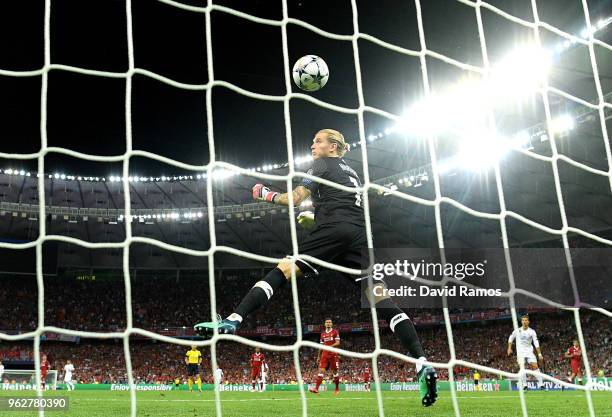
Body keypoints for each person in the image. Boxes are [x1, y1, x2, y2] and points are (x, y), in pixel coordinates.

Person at [195, 129, 437, 406]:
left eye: (318, 141)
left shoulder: (323, 164)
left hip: (335, 232)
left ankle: (232, 320)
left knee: (284, 269)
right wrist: (313, 220)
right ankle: (421, 362)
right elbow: (339, 206)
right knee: (380, 300)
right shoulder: (352, 173)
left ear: (333, 146)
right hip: (358, 239)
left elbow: (294, 198)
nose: (312, 145)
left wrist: (265, 194)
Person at [507, 315, 544, 390]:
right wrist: (509, 348)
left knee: (535, 366)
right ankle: (525, 385)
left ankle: (541, 384)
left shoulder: (532, 331)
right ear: (521, 322)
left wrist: (539, 354)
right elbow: (511, 338)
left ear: (528, 322)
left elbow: (536, 343)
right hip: (520, 352)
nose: (524, 321)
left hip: (529, 352)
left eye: (525, 320)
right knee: (522, 367)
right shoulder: (517, 330)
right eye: (523, 320)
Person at [310, 319, 341, 395]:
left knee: (335, 372)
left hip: (333, 354)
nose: (328, 323)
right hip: (324, 354)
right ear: (324, 324)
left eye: (329, 322)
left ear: (332, 324)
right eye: (327, 322)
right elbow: (321, 346)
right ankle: (316, 389)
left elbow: (338, 342)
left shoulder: (335, 332)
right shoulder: (322, 334)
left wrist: (329, 346)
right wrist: (318, 356)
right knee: (321, 371)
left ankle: (337, 389)